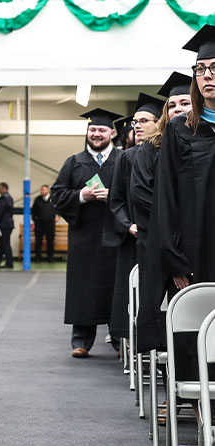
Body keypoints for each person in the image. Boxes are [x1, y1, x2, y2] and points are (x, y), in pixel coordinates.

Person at [151, 25, 215, 381]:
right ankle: (204, 413)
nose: (207, 76)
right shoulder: (181, 130)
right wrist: (174, 259)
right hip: (196, 253)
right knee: (197, 337)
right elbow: (167, 200)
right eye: (201, 69)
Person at [51, 108, 121, 359]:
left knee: (117, 285)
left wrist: (111, 195)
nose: (96, 134)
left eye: (102, 130)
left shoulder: (124, 160)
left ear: (112, 132)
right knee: (84, 287)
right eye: (92, 130)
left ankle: (119, 339)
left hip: (116, 234)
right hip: (84, 237)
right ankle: (81, 340)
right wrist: (82, 195)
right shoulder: (74, 162)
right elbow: (57, 195)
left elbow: (136, 193)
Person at [135, 72, 192, 354]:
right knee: (171, 319)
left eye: (185, 102)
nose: (178, 109)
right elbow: (147, 197)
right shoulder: (150, 148)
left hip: (197, 241)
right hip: (162, 242)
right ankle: (176, 385)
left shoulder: (203, 141)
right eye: (172, 105)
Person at [104, 93, 164, 352]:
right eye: (135, 121)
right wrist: (128, 224)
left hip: (163, 237)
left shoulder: (169, 152)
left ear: (158, 122)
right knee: (134, 294)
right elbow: (115, 201)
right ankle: (129, 342)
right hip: (135, 238)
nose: (137, 125)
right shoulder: (126, 158)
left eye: (144, 120)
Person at [31, 185, 56, 262]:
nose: (41, 191)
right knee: (38, 241)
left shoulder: (53, 199)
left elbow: (58, 208)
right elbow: (33, 211)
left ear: (48, 190)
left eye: (43, 189)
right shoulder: (37, 199)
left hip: (50, 224)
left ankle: (50, 257)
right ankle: (38, 257)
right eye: (41, 189)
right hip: (39, 224)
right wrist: (35, 219)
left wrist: (58, 216)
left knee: (50, 241)